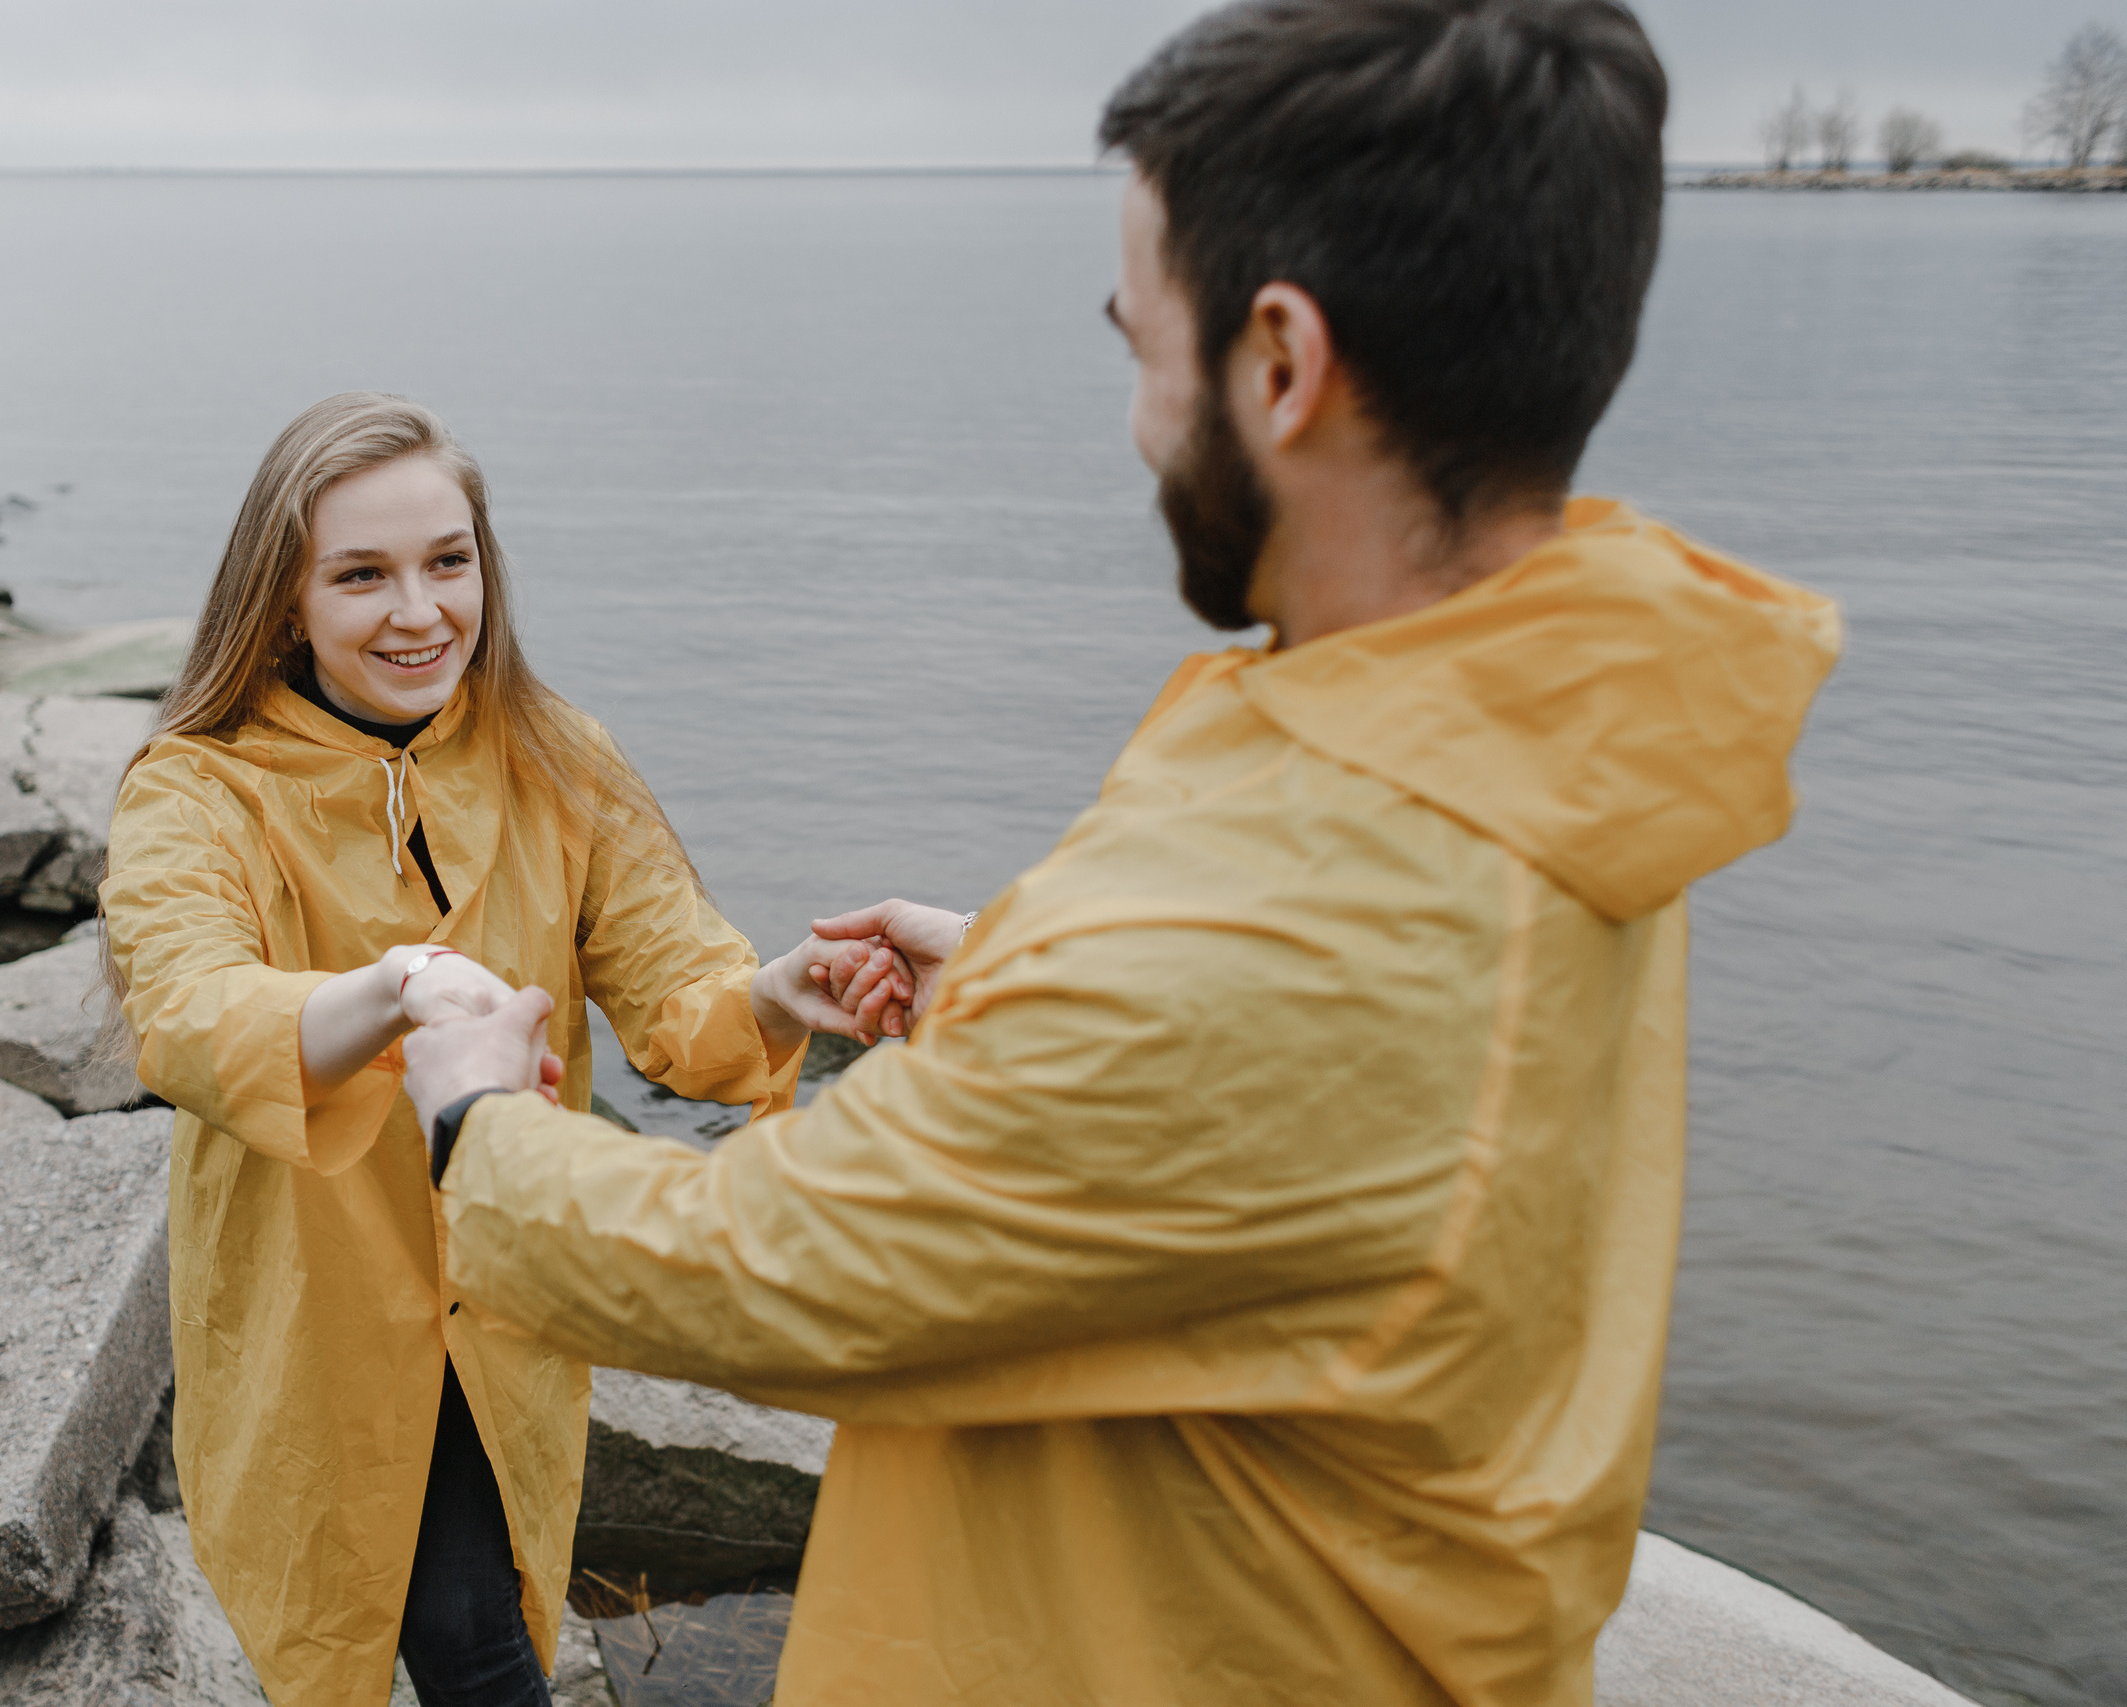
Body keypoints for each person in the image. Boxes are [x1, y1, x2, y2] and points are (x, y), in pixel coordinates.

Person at [399, 3, 1844, 1704]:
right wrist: (1027, 985)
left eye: (1140, 337)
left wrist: (477, 1117)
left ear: (1283, 363)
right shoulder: (1559, 726)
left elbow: (764, 1269)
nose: (1143, 413)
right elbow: (1306, 1107)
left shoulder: (1272, 920)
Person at [98, 392, 912, 1707]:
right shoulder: (197, 787)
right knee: (394, 1644)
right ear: (283, 597)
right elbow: (187, 1012)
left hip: (512, 1292)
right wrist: (397, 986)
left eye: (448, 562)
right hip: (319, 1317)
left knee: (483, 1631)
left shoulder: (557, 757)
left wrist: (775, 992)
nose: (420, 612)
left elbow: (672, 996)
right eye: (362, 574)